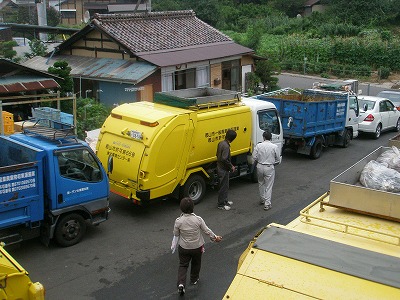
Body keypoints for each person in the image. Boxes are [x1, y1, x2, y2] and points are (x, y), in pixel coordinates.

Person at [171, 197, 222, 296]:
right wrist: (215, 237)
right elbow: (207, 231)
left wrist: (173, 245)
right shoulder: (198, 219)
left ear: (181, 208)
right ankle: (194, 279)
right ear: (193, 207)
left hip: (184, 247)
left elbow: (176, 234)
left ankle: (181, 284)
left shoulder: (178, 221)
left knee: (183, 265)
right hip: (197, 247)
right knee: (196, 263)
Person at [252, 131, 280, 210]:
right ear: (270, 138)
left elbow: (254, 156)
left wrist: (259, 160)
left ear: (263, 137)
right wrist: (273, 163)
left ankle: (262, 199)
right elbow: (278, 159)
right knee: (269, 186)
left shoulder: (258, 145)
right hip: (269, 166)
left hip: (259, 166)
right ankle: (267, 204)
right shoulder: (274, 147)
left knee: (261, 183)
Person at [216, 129, 237, 211]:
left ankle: (225, 201)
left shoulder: (221, 143)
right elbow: (224, 159)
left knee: (225, 185)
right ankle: (221, 204)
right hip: (223, 169)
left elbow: (217, 154)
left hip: (220, 167)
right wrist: (231, 166)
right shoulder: (226, 146)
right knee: (223, 187)